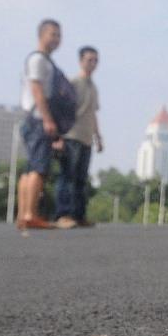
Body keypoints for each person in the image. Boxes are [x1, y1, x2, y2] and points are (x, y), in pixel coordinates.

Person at [17, 19, 64, 230]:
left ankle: (23, 214)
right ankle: (30, 213)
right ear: (42, 35)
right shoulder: (38, 60)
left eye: (58, 35)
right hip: (37, 119)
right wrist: (48, 119)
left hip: (32, 118)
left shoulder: (42, 60)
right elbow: (37, 90)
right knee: (39, 168)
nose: (56, 39)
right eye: (53, 34)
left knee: (29, 169)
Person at [55, 46, 103, 228]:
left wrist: (98, 137)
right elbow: (61, 108)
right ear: (81, 61)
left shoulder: (94, 87)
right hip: (71, 135)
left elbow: (93, 113)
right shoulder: (73, 83)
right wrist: (58, 136)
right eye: (90, 60)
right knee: (67, 176)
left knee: (81, 179)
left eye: (96, 60)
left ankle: (79, 215)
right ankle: (63, 214)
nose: (93, 63)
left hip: (86, 137)